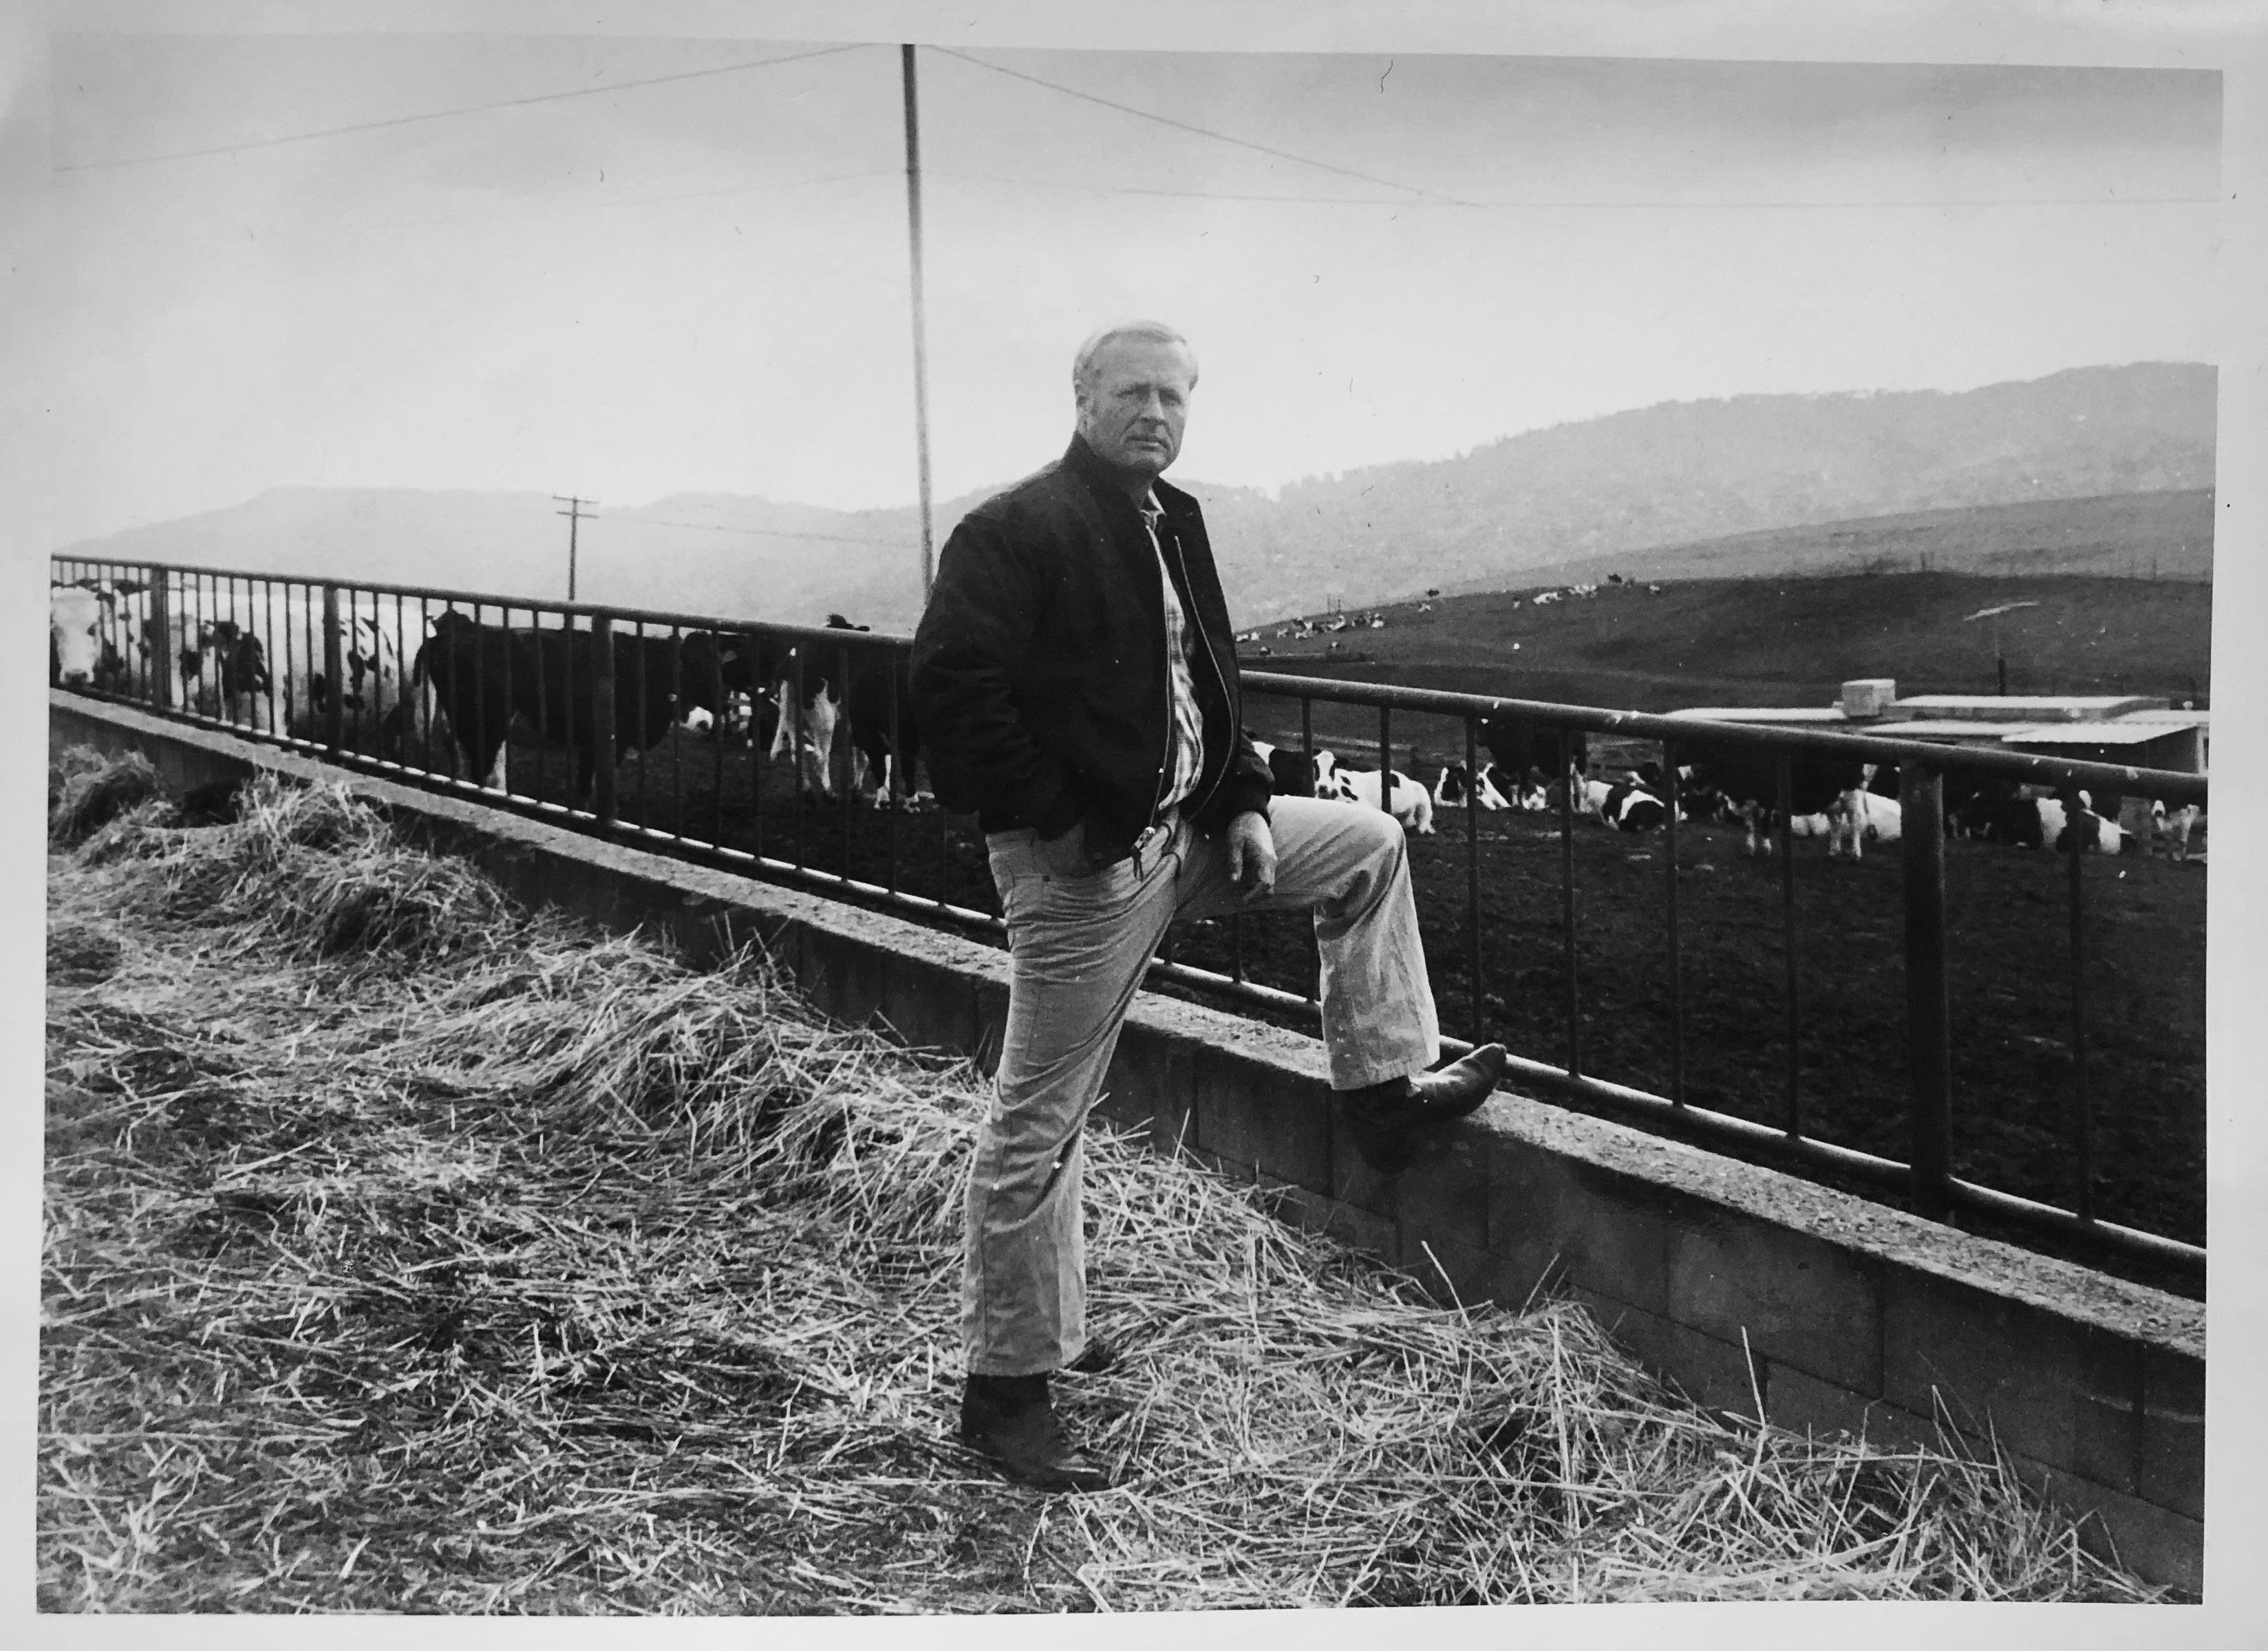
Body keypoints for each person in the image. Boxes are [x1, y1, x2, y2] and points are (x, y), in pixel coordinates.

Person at [910, 321, 1506, 1492]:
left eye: (1175, 397)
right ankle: (1006, 1392)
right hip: (1084, 872)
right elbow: (948, 686)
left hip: (1188, 836)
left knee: (1370, 846)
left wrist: (1241, 798)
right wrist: (1061, 817)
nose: (1156, 414)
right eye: (1132, 392)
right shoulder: (1016, 529)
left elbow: (1212, 680)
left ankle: (1382, 1096)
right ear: (1081, 398)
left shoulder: (1173, 519)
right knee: (1042, 1116)